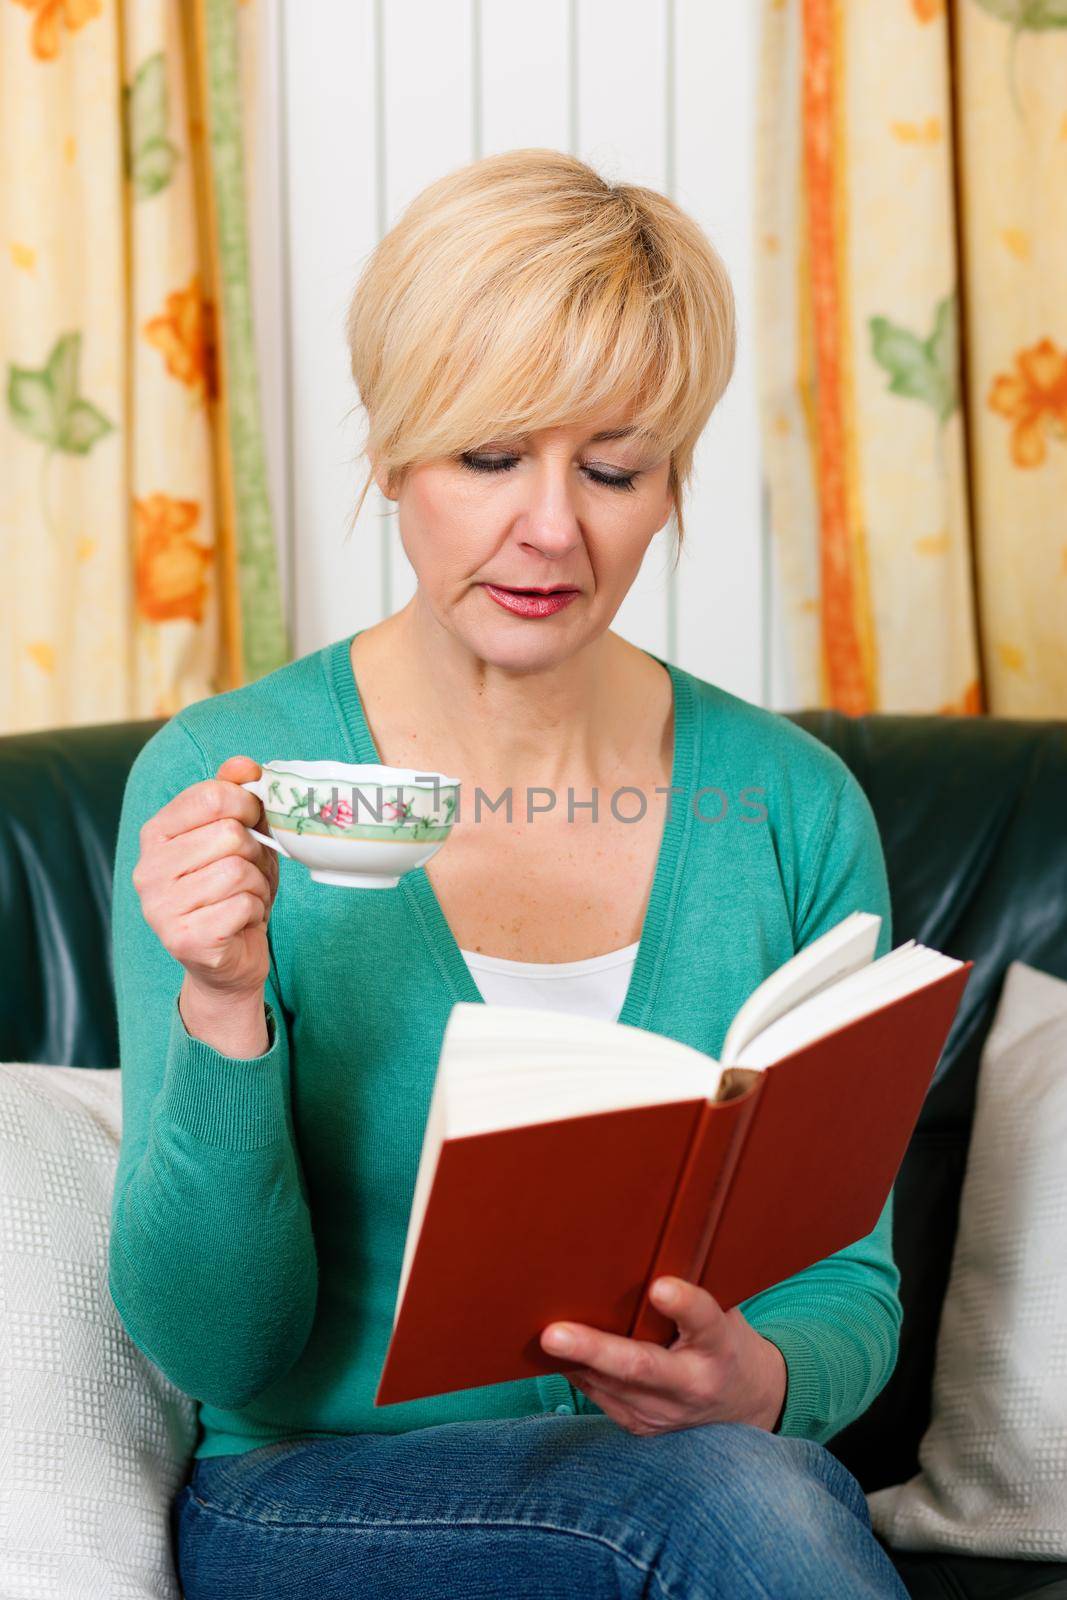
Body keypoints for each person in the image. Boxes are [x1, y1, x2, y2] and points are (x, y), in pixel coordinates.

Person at [109, 147, 910, 1598]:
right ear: (396, 453)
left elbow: (851, 1275)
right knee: (736, 1508)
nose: (553, 528)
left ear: (671, 487)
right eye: (490, 458)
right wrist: (222, 1007)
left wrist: (764, 1380)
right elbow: (211, 1348)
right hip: (316, 1505)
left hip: (710, 1488)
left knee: (741, 1485)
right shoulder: (223, 778)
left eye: (614, 468)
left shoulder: (793, 807)